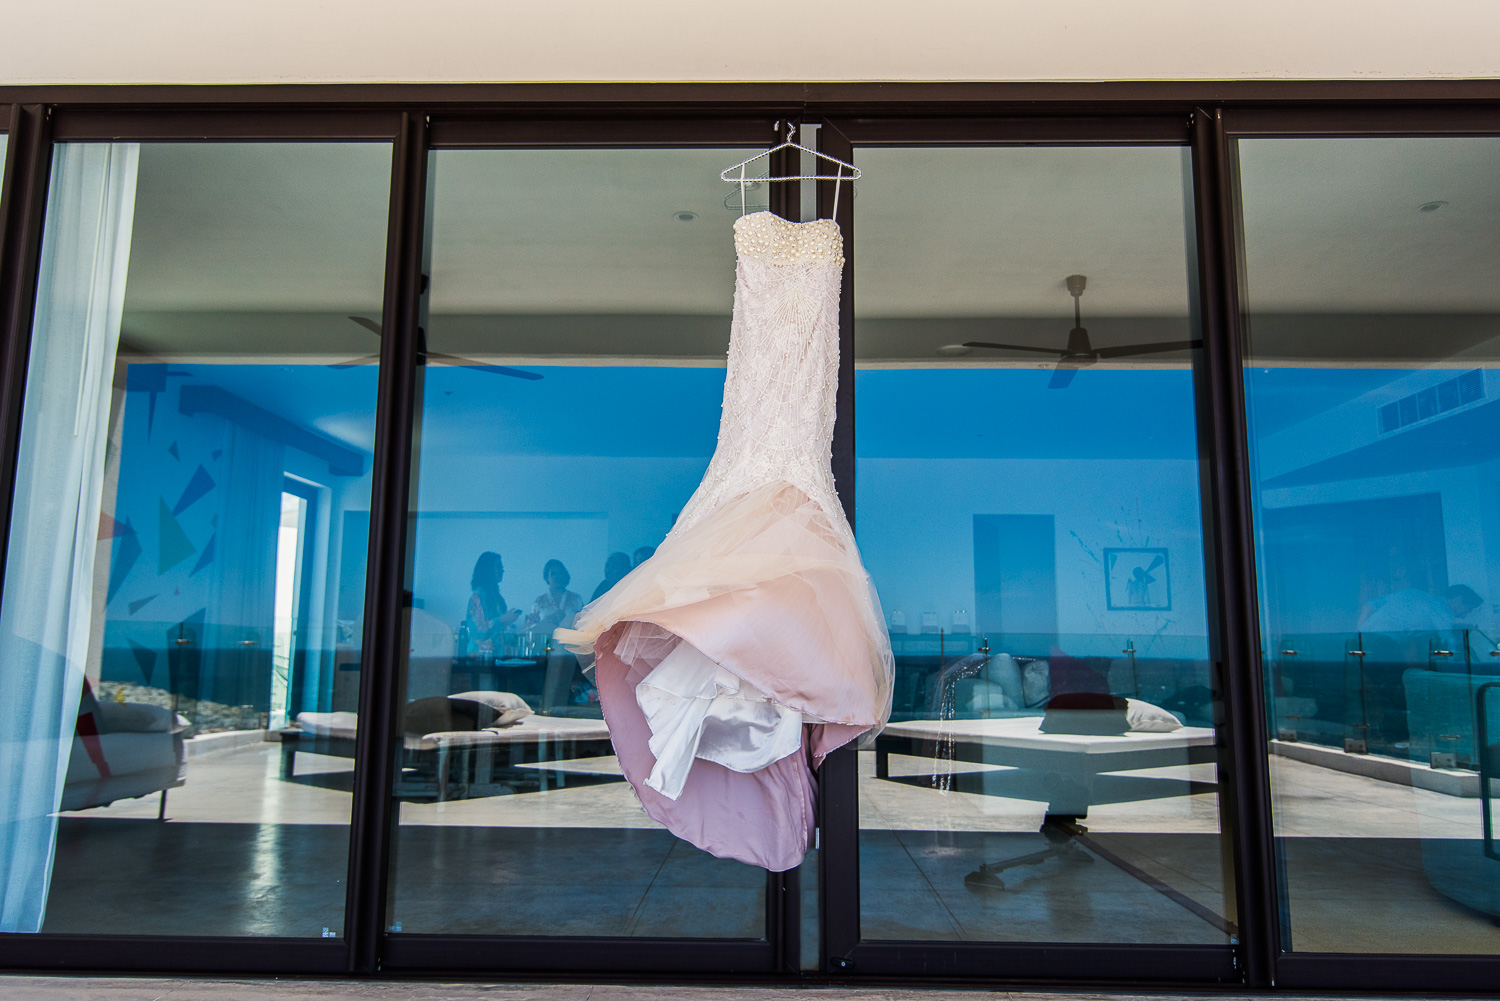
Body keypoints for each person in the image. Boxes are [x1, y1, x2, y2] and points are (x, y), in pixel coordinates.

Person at [464, 551, 520, 654]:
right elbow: (477, 630)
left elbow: (499, 629)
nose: (503, 570)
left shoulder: (497, 597)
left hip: (497, 653)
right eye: (499, 567)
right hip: (479, 655)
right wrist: (502, 619)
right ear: (488, 570)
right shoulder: (477, 598)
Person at [526, 558, 584, 633]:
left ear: (565, 576)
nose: (557, 576)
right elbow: (532, 628)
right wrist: (548, 619)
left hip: (570, 642)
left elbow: (583, 624)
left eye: (560, 573)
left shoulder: (576, 599)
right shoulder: (539, 601)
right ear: (547, 577)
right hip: (545, 641)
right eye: (553, 574)